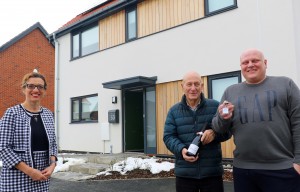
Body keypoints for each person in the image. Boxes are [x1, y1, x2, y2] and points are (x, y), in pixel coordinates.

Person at [212, 49, 300, 192]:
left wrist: (298, 162)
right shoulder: (231, 91)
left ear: (265, 63)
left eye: (255, 61)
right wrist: (223, 118)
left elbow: (298, 123)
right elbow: (218, 128)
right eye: (245, 62)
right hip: (243, 170)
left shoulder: (285, 84)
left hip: (282, 169)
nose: (250, 65)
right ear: (241, 67)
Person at [163, 71, 232, 192]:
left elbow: (228, 131)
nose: (193, 88)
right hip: (185, 174)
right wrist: (181, 150)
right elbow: (168, 137)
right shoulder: (174, 111)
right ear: (182, 86)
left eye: (196, 84)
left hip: (212, 173)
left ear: (202, 86)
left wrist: (214, 134)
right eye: (189, 84)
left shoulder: (215, 106)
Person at [0, 71, 58, 191]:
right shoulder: (12, 113)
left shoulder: (48, 114)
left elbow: (53, 144)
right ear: (24, 88)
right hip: (15, 179)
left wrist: (52, 165)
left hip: (42, 178)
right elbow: (3, 147)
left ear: (44, 90)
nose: (36, 90)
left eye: (40, 87)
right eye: (31, 86)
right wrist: (29, 171)